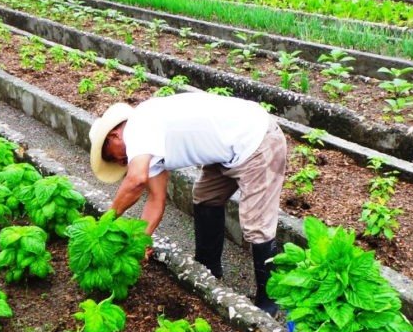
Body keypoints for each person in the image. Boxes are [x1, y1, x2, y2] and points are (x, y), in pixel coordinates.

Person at [88, 92, 287, 316]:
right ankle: (208, 269)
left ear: (114, 135)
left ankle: (269, 300)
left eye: (111, 155)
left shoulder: (138, 127)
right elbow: (156, 200)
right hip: (226, 150)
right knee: (205, 196)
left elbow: (135, 180)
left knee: (256, 223)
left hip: (256, 140)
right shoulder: (146, 147)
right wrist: (139, 241)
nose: (118, 161)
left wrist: (106, 220)